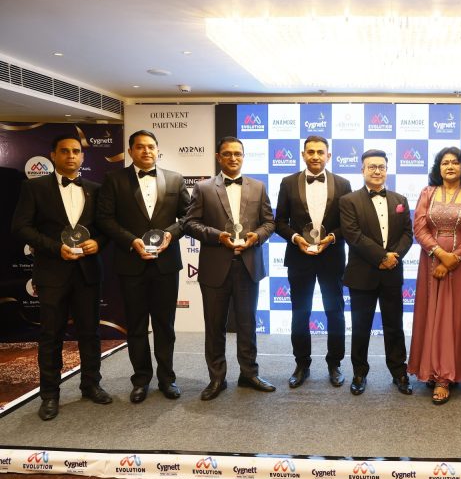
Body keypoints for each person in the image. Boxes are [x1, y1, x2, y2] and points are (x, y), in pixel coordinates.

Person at [11, 135, 113, 420]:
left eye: (76, 151)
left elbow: (106, 227)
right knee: (51, 335)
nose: (71, 156)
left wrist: (98, 243)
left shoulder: (96, 189)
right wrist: (55, 248)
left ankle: (91, 385)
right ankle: (50, 395)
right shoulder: (34, 188)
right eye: (65, 151)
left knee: (90, 333)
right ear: (53, 155)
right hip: (52, 272)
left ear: (82, 157)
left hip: (87, 273)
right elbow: (20, 227)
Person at [96, 129, 190, 403]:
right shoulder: (114, 179)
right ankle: (140, 380)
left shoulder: (175, 179)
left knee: (165, 326)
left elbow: (188, 216)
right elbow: (105, 218)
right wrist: (132, 241)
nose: (146, 151)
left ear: (157, 150)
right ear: (130, 151)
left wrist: (170, 234)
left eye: (151, 146)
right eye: (140, 147)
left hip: (166, 265)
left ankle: (167, 379)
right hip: (131, 264)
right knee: (136, 326)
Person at [183, 136, 276, 400]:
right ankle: (217, 378)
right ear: (218, 157)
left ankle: (249, 373)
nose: (233, 158)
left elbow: (269, 222)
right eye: (227, 154)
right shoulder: (203, 188)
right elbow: (190, 223)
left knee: (247, 324)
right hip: (215, 267)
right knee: (215, 326)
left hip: (248, 266)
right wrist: (217, 236)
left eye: (238, 154)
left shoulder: (258, 187)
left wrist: (256, 236)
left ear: (243, 156)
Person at [407, 147, 461, 405]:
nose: (449, 166)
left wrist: (453, 260)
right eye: (444, 163)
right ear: (438, 168)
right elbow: (419, 228)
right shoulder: (427, 193)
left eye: (455, 162)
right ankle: (432, 369)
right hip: (431, 261)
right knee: (432, 316)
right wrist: (440, 254)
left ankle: (447, 375)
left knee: (455, 317)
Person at [275, 135, 352, 388]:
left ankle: (335, 364)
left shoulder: (343, 184)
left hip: (332, 257)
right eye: (311, 152)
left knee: (335, 312)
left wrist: (331, 238)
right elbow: (279, 222)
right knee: (300, 313)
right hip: (299, 258)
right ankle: (302, 364)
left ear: (329, 155)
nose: (315, 156)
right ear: (303, 154)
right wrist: (296, 238)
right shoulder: (288, 183)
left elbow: (348, 224)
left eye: (320, 152)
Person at [339, 149, 413, 396]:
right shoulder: (348, 200)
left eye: (381, 167)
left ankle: (399, 372)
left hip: (392, 273)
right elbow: (353, 235)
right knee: (361, 328)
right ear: (362, 170)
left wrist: (394, 257)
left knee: (395, 326)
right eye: (372, 167)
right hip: (362, 274)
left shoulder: (400, 199)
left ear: (387, 169)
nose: (377, 171)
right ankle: (359, 373)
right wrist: (382, 257)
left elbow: (408, 234)